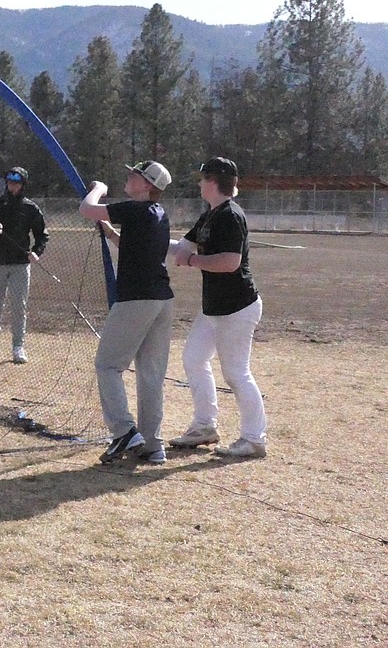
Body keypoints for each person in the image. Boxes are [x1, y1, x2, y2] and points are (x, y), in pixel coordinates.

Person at [170, 156, 268, 458]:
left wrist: (193, 260)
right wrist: (137, 239)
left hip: (238, 307)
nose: (199, 184)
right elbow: (181, 248)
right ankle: (204, 426)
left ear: (214, 182)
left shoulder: (230, 215)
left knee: (236, 374)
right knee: (194, 359)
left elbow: (230, 262)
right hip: (213, 307)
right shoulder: (209, 215)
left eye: (203, 179)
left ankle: (253, 439)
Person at [80, 161, 175, 464]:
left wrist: (98, 190)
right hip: (161, 300)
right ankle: (152, 444)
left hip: (136, 299)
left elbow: (87, 209)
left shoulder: (135, 209)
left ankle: (123, 431)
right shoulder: (159, 215)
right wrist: (109, 233)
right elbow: (135, 247)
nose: (129, 177)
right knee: (151, 375)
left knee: (107, 366)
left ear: (147, 185)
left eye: (135, 174)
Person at [0, 166, 48, 364]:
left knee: (19, 307)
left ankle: (18, 347)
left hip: (20, 265)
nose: (12, 185)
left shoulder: (31, 208)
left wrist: (36, 252)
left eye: (16, 182)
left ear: (23, 185)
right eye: (9, 182)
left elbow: (42, 235)